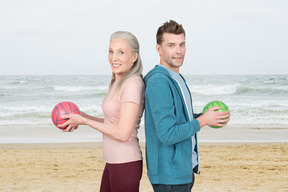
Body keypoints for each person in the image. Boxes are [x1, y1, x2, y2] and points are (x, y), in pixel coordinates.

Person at [144, 20, 230, 192]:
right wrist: (203, 121)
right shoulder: (159, 82)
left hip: (182, 170)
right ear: (159, 49)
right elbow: (167, 134)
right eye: (171, 45)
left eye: (182, 44)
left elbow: (178, 120)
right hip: (169, 176)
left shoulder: (176, 78)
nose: (178, 50)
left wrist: (203, 116)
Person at [58, 31, 145, 192]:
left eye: (121, 52)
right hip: (113, 162)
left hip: (125, 163)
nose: (114, 58)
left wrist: (84, 121)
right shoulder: (118, 82)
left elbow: (123, 132)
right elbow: (111, 123)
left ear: (134, 57)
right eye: (111, 51)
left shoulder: (132, 84)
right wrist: (80, 116)